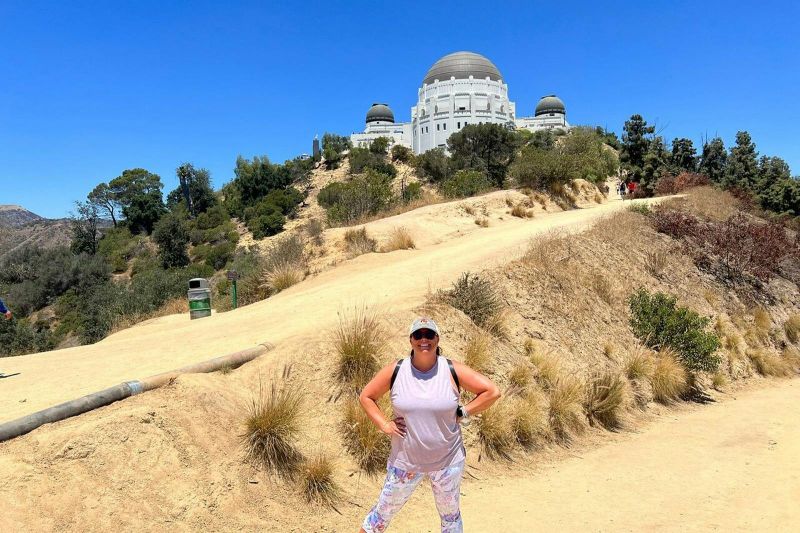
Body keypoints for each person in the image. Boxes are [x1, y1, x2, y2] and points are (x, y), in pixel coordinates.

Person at [358, 317, 501, 533]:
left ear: (437, 339)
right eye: (418, 335)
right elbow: (367, 396)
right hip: (405, 463)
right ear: (411, 340)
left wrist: (464, 411)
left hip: (447, 463)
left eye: (429, 335)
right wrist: (384, 425)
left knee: (450, 518)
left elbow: (492, 392)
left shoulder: (451, 369)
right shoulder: (396, 370)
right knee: (381, 515)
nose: (424, 340)